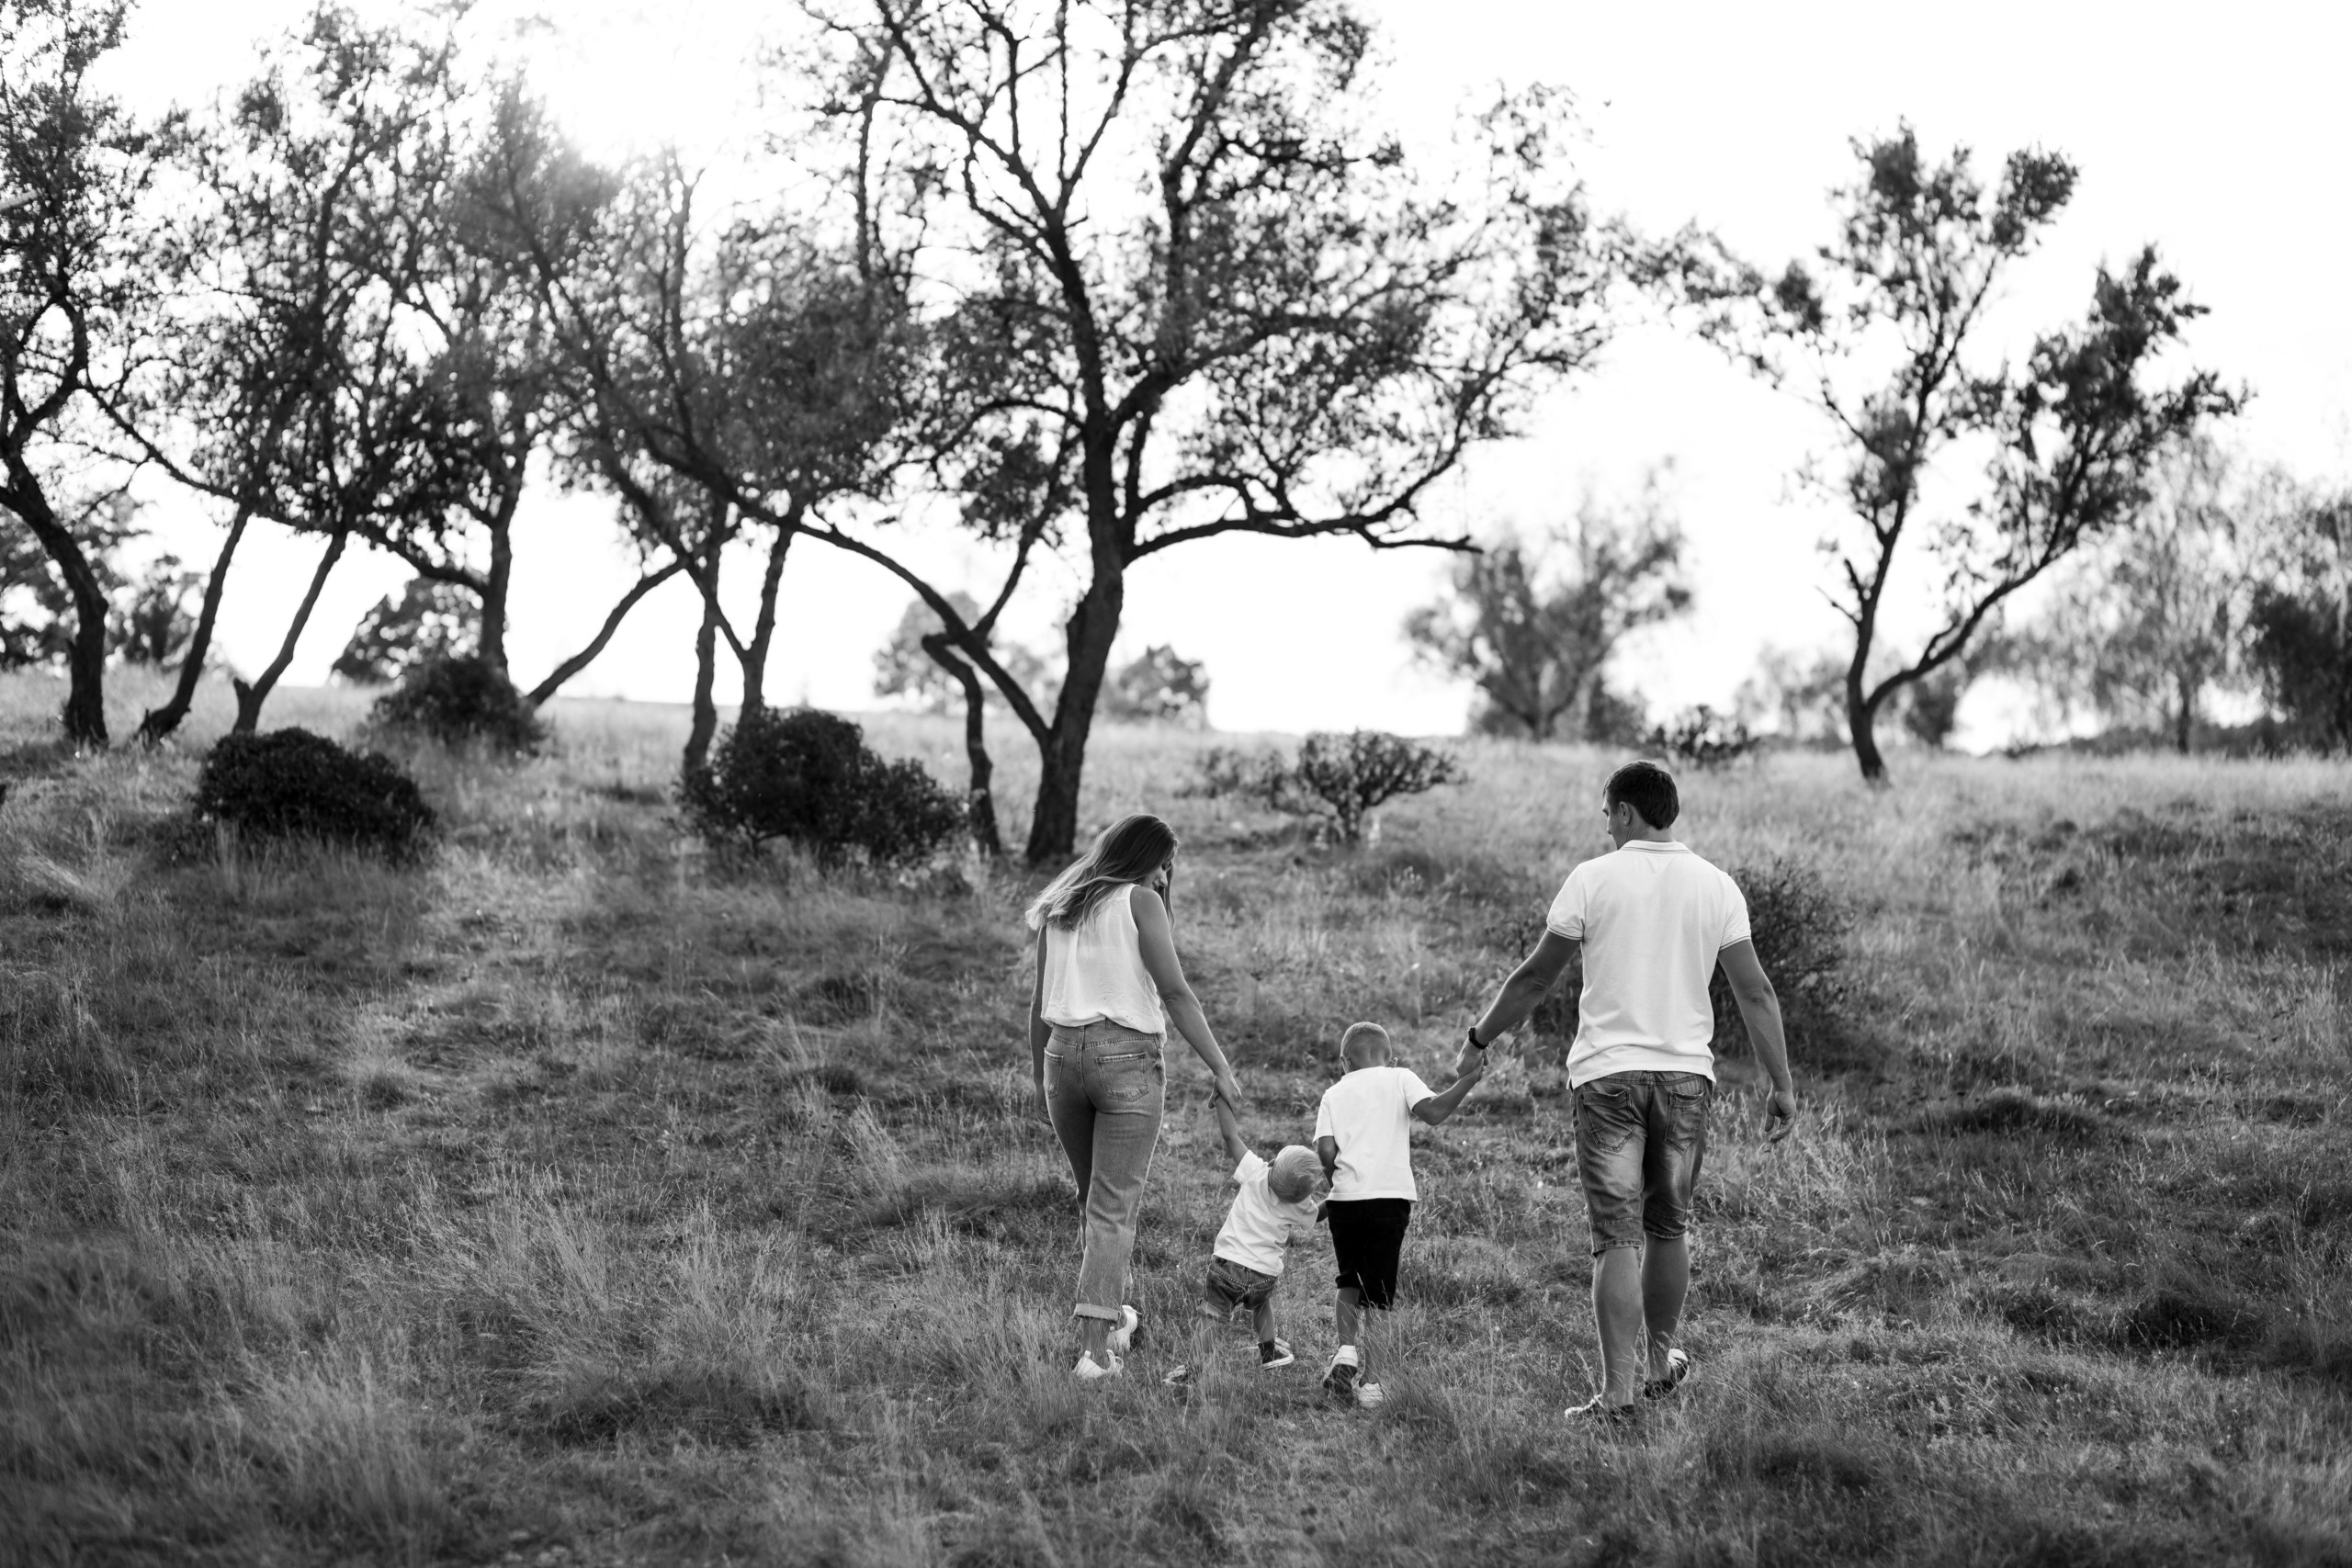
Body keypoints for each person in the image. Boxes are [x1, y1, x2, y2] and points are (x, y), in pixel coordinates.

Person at [1454, 759, 1797, 1424]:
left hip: (1608, 1077)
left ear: (1627, 812)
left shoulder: (1592, 878)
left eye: (1608, 812)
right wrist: (1780, 1083)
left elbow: (1533, 980)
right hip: (1686, 1080)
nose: (1605, 824)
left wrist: (1479, 1037)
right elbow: (1754, 990)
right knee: (1668, 1226)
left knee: (1618, 1235)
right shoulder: (1717, 885)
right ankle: (1661, 1363)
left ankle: (1617, 1396)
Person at [1027, 813, 1246, 1382]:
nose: (1166, 875)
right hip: (1124, 1058)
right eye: (1165, 864)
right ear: (1152, 859)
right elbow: (1174, 991)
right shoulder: (1140, 902)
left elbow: (1037, 1003)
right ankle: (1096, 1354)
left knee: (1091, 1198)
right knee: (1111, 1207)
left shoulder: (1065, 902)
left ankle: (1116, 1314)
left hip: (1060, 1058)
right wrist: (1219, 1066)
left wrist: (1040, 1078)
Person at [1313, 1021, 1487, 1409]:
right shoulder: (1400, 1078)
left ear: (1345, 1062)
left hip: (1345, 1201)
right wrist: (1468, 1081)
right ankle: (1372, 1385)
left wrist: (1336, 1183)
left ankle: (1345, 1351)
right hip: (1389, 1201)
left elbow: (1325, 1151)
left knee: (1348, 1278)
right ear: (1390, 1058)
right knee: (1380, 1297)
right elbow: (1435, 1112)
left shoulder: (1333, 1093)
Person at [1162, 1094, 1325, 1387]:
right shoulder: (1300, 1206)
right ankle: (1269, 1352)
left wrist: (1222, 1099)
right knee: (1262, 1306)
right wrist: (1343, 1194)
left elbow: (1230, 1135)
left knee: (1210, 1316)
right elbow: (1320, 1215)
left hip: (1227, 1269)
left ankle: (1194, 1370)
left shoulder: (1256, 1172)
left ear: (1274, 1163)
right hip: (1264, 1277)